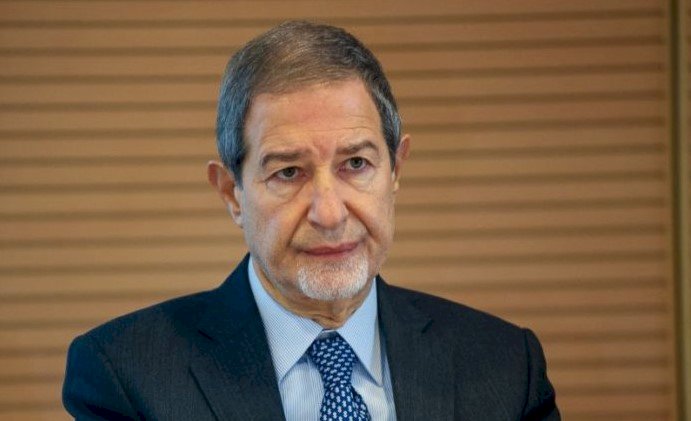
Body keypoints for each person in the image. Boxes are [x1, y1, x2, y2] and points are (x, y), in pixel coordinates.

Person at [62, 20, 560, 420]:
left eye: (356, 164)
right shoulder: (127, 377)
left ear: (396, 171)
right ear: (232, 193)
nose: (329, 213)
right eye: (288, 172)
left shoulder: (505, 368)